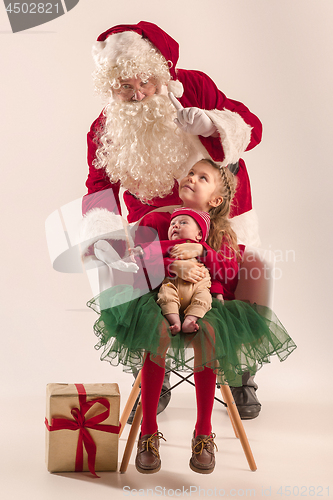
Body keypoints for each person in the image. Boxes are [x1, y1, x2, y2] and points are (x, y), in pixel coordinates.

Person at [81, 21, 263, 419]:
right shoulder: (105, 129)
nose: (138, 93)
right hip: (156, 226)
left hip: (219, 212)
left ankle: (239, 373)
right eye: (125, 87)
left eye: (145, 81)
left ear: (161, 71)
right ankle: (152, 377)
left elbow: (253, 129)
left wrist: (212, 125)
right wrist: (104, 240)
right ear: (111, 88)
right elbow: (99, 188)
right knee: (142, 291)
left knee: (237, 283)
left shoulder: (194, 87)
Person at [87, 158, 296, 474]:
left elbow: (229, 273)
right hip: (158, 301)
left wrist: (203, 254)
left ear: (216, 199)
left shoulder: (223, 234)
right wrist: (172, 261)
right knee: (155, 334)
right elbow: (136, 265)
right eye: (190, 174)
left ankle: (202, 432)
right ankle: (148, 432)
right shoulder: (155, 222)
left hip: (207, 305)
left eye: (203, 177)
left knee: (209, 335)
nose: (191, 179)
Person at [157, 208, 213, 335]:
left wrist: (218, 291)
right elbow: (151, 255)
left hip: (197, 286)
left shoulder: (204, 249)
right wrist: (140, 250)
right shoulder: (168, 245)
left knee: (205, 297)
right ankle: (175, 321)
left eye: (183, 223)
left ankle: (190, 320)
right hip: (173, 283)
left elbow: (218, 267)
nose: (175, 225)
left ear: (199, 235)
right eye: (172, 224)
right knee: (166, 294)